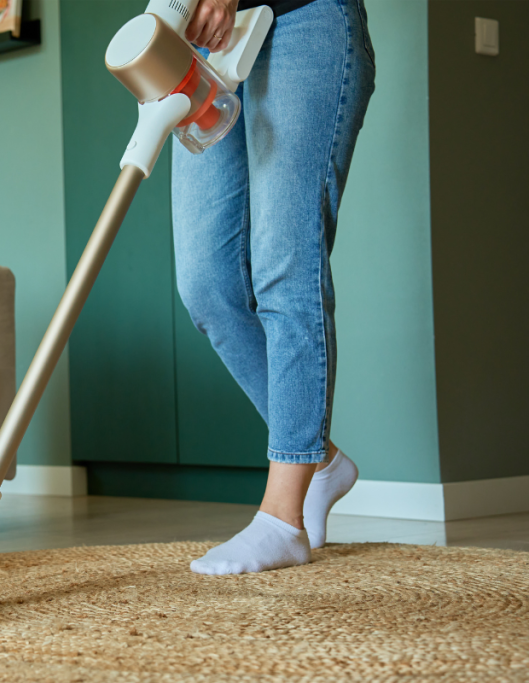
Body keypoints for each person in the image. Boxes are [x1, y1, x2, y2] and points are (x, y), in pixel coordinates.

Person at [175, 0, 376, 574]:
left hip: (304, 20)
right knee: (206, 282)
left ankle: (283, 518)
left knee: (286, 264)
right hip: (203, 43)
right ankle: (323, 462)